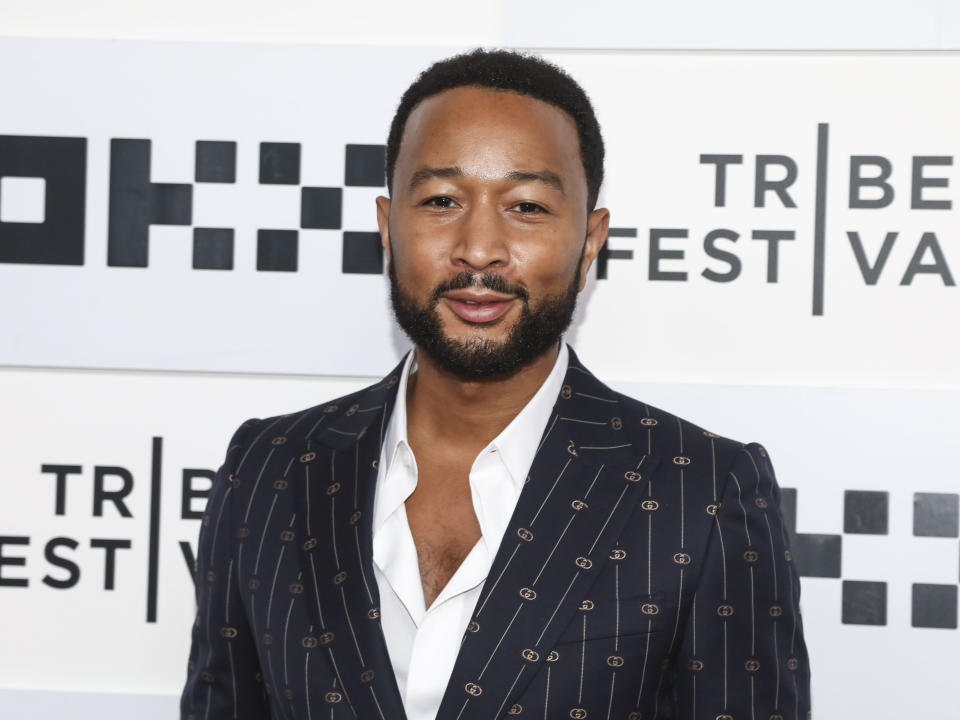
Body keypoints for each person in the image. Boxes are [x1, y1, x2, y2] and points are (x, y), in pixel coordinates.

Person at [181, 49, 810, 720]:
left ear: (590, 239)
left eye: (527, 206)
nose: (479, 248)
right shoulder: (271, 471)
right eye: (443, 200)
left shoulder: (702, 491)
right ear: (387, 226)